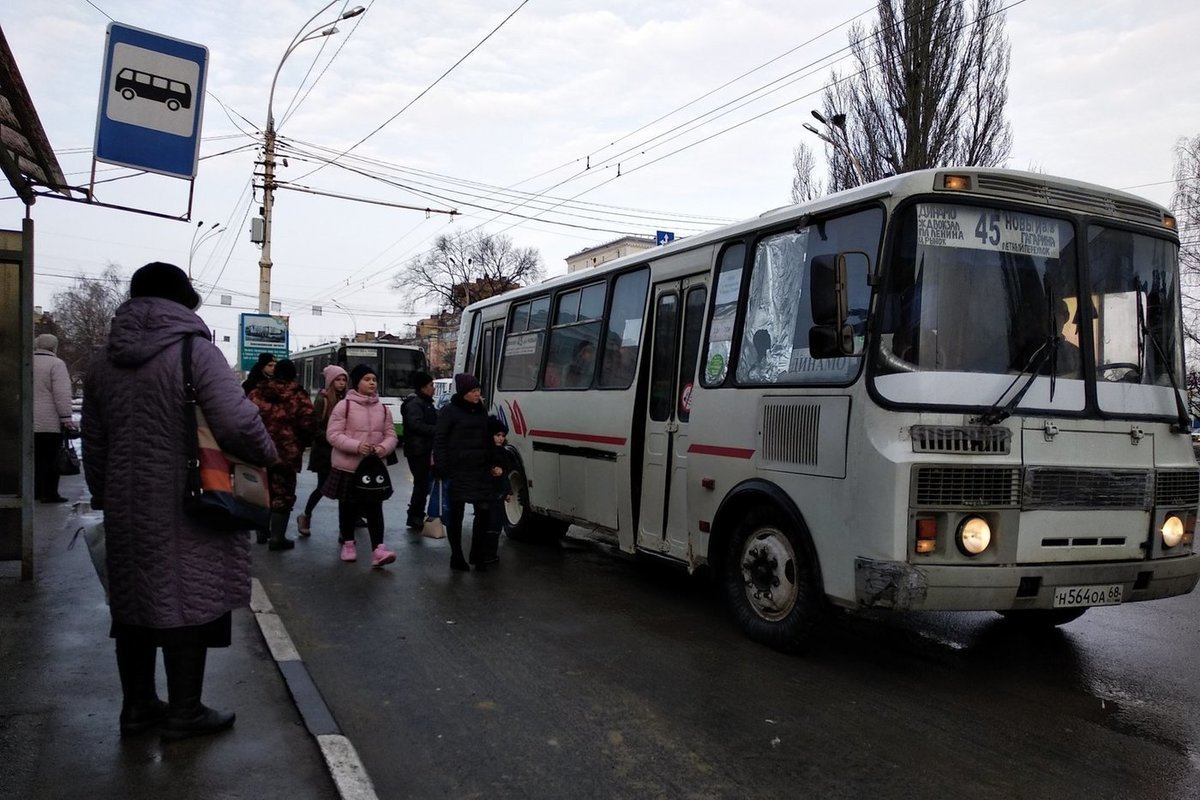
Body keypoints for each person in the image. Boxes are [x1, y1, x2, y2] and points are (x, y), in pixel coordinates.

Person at [82, 262, 277, 741]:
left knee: (133, 609)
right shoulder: (196, 352)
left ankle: (138, 709)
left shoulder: (102, 360)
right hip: (190, 501)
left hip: (127, 505)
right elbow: (236, 423)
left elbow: (94, 441)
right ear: (183, 299)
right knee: (186, 604)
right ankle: (185, 712)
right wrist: (267, 454)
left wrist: (108, 494)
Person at [322, 363, 399, 567]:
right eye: (367, 379)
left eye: (374, 379)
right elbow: (333, 434)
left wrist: (383, 448)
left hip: (372, 468)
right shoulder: (344, 406)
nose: (372, 383)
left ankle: (378, 550)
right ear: (356, 383)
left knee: (375, 508)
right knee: (348, 507)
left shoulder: (383, 409)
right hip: (348, 467)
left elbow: (391, 435)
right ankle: (348, 543)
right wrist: (357, 446)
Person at [248, 359, 318, 550]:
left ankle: (262, 530)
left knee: (261, 490)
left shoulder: (256, 393)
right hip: (287, 453)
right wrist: (302, 441)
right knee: (284, 494)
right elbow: (309, 423)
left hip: (259, 450)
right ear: (293, 374)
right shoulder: (298, 395)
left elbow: (244, 418)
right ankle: (277, 537)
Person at [432, 372, 491, 572]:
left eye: (478, 391)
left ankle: (477, 554)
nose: (477, 395)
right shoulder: (449, 412)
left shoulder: (481, 411)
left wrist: (492, 461)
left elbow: (487, 438)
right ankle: (456, 555)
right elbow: (439, 440)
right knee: (455, 515)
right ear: (464, 392)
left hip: (479, 470)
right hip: (457, 471)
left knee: (483, 511)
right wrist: (442, 466)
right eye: (473, 391)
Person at [297, 364, 349, 537]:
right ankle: (306, 515)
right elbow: (314, 426)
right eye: (338, 380)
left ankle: (345, 529)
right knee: (322, 487)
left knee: (345, 490)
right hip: (324, 451)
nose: (341, 383)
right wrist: (331, 438)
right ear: (330, 382)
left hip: (342, 450)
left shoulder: (348, 399)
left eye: (344, 380)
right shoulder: (324, 399)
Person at [33, 333, 76, 503]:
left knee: (34, 458)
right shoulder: (56, 364)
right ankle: (49, 493)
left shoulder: (27, 361)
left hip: (28, 421)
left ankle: (34, 491)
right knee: (51, 459)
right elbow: (61, 393)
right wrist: (66, 417)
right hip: (49, 422)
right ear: (54, 346)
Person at [470, 415, 513, 570]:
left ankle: (489, 554)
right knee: (488, 524)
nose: (501, 439)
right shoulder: (486, 453)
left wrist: (507, 491)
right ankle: (485, 554)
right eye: (497, 435)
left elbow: (505, 475)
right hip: (486, 494)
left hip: (497, 494)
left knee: (495, 524)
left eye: (503, 436)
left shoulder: (502, 452)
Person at [400, 370, 438, 530]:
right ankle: (415, 515)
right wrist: (436, 430)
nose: (434, 388)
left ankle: (416, 513)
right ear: (423, 387)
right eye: (431, 385)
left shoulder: (426, 402)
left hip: (423, 448)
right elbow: (416, 425)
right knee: (421, 484)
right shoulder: (416, 404)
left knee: (423, 484)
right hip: (418, 450)